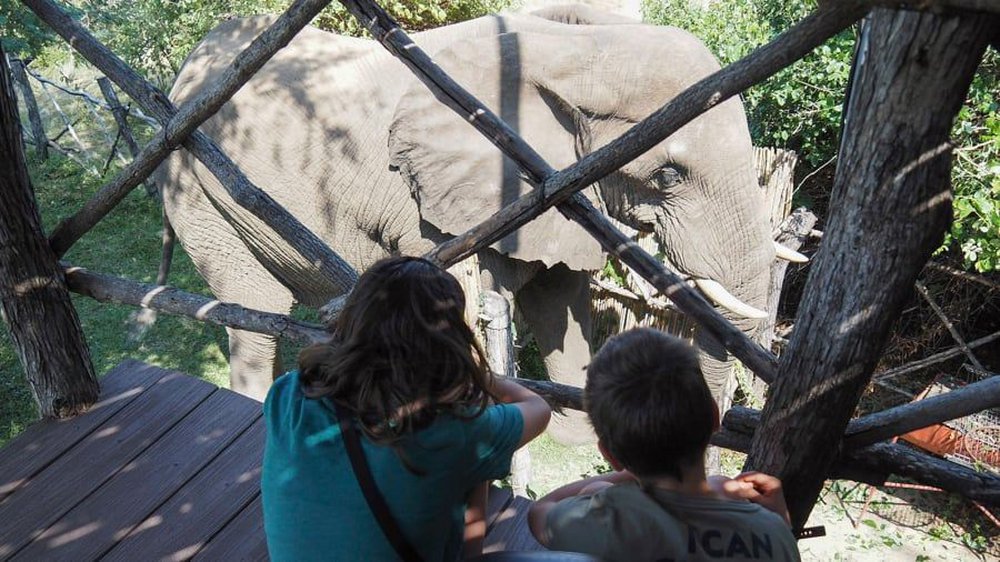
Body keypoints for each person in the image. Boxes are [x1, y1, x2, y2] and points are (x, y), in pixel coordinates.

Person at [262, 256, 551, 561]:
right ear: (446, 342)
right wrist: (476, 375)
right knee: (476, 460)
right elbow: (538, 408)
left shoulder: (290, 393)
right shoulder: (457, 431)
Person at [528, 328, 799, 561]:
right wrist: (780, 522)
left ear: (610, 455)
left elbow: (539, 511)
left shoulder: (609, 518)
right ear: (715, 417)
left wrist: (609, 484)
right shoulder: (770, 534)